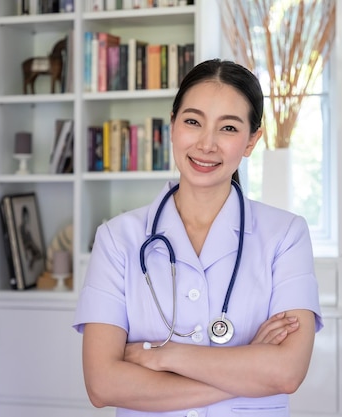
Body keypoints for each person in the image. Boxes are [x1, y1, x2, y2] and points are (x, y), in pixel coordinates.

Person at [72, 59, 323, 417]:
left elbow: (286, 373)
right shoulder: (117, 239)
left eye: (229, 128)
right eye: (193, 122)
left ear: (252, 140)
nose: (207, 144)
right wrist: (247, 368)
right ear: (172, 126)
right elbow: (102, 384)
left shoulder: (286, 235)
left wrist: (162, 357)